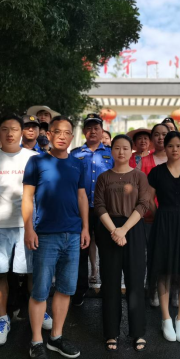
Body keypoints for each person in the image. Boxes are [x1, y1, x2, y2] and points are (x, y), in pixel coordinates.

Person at [0, 114, 52, 346]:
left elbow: (44, 192)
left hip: (28, 226)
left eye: (14, 129)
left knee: (32, 272)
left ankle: (40, 309)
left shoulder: (34, 158)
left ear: (21, 132)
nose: (10, 133)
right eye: (5, 129)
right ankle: (3, 319)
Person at [22, 115, 90, 359]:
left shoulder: (77, 164)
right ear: (48, 135)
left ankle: (56, 337)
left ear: (72, 136)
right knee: (40, 290)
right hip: (46, 235)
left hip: (72, 235)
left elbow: (82, 197)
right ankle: (36, 341)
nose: (62, 136)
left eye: (67, 132)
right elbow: (27, 198)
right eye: (57, 131)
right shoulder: (37, 161)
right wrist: (29, 229)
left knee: (65, 289)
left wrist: (85, 228)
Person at [94, 134, 150, 352]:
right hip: (109, 228)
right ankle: (111, 333)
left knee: (135, 281)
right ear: (111, 151)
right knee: (110, 283)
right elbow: (99, 205)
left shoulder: (139, 176)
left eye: (125, 148)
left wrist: (124, 230)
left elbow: (143, 204)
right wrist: (114, 230)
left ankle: (138, 332)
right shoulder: (104, 177)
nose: (121, 152)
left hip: (133, 229)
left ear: (131, 151)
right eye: (117, 148)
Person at [147, 131, 180, 343]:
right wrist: (161, 214)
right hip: (163, 224)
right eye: (170, 145)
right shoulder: (156, 172)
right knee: (164, 270)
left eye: (178, 145)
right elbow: (149, 199)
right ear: (165, 147)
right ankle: (166, 318)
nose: (174, 149)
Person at [70, 114, 114, 304]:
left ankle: (107, 288)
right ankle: (80, 290)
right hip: (81, 210)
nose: (93, 131)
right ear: (84, 131)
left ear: (102, 131)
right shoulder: (75, 154)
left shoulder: (111, 153)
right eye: (89, 128)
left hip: (105, 210)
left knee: (107, 250)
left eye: (96, 128)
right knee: (81, 250)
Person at [137, 123, 169, 307]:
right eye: (156, 134)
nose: (160, 138)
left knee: (167, 254)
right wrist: (156, 213)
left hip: (170, 218)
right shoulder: (144, 162)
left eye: (164, 134)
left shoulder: (177, 160)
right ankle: (152, 288)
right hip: (148, 217)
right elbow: (141, 191)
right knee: (149, 255)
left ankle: (167, 288)